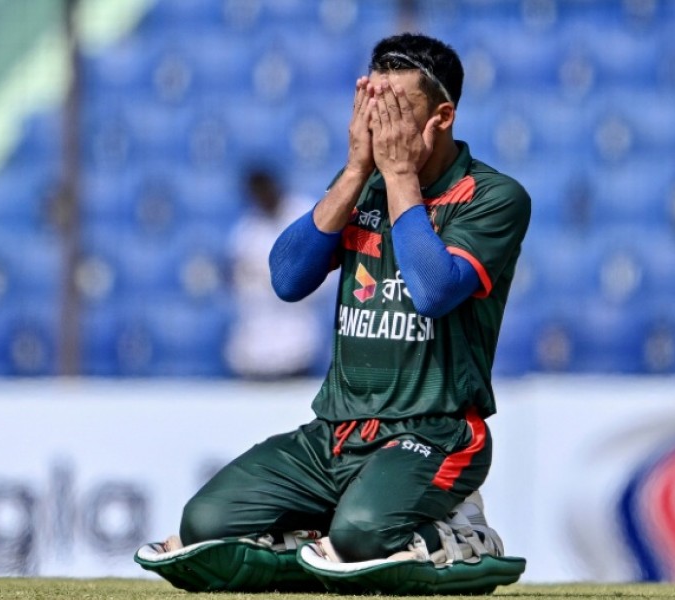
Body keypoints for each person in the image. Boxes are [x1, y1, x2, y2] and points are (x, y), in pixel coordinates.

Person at [135, 33, 532, 595]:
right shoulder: (360, 185)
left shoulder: (494, 196)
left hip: (436, 430)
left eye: (396, 108)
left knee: (362, 535)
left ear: (441, 117)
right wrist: (353, 170)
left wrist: (399, 178)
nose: (381, 125)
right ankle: (330, 545)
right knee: (204, 525)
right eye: (372, 104)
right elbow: (287, 279)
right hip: (337, 431)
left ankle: (461, 534)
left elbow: (433, 290)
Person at [224, 167, 327, 379]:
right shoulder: (246, 231)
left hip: (297, 343)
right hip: (254, 347)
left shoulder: (306, 215)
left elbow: (323, 275)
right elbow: (236, 281)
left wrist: (269, 277)